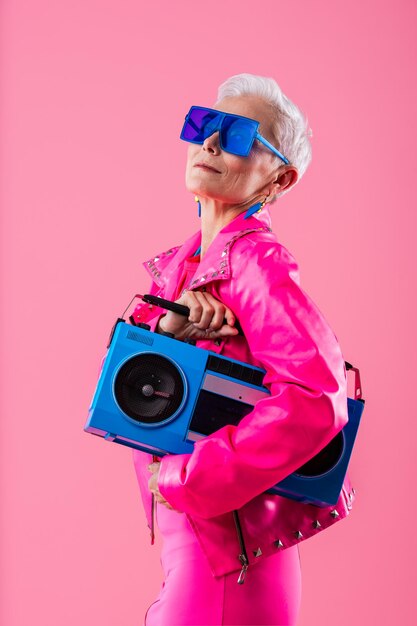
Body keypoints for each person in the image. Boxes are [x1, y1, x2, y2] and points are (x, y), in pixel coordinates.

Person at [130, 73, 355, 626]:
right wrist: (166, 333)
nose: (208, 142)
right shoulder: (181, 270)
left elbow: (318, 399)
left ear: (280, 178)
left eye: (237, 135)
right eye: (204, 124)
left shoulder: (256, 263)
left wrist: (189, 478)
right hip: (200, 554)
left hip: (231, 564)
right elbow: (126, 394)